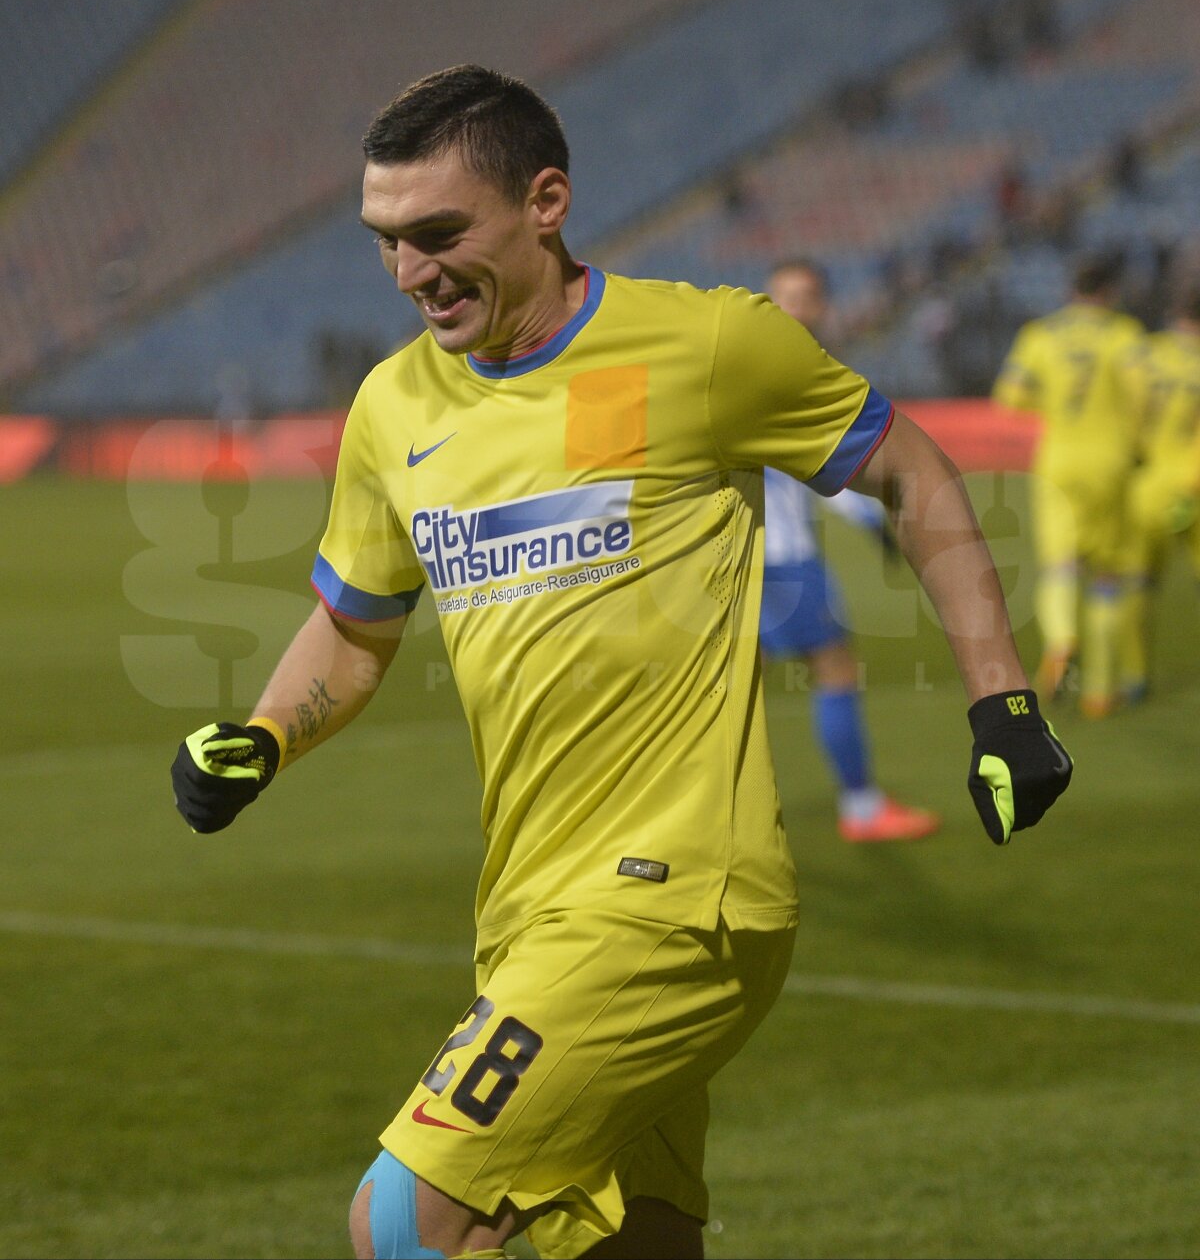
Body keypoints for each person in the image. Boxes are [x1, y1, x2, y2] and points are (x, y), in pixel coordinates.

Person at [170, 65, 1073, 1260]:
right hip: (527, 908)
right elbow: (354, 624)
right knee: (634, 1243)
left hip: (678, 897)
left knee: (407, 1221)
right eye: (386, 242)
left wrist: (1003, 703)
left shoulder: (708, 343)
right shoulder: (392, 406)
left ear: (546, 200)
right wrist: (266, 734)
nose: (410, 272)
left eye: (440, 234)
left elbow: (915, 469)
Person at [760, 259, 939, 842]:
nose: (796, 306)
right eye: (786, 295)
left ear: (822, 306)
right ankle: (862, 808)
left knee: (725, 690)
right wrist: (872, 520)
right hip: (780, 557)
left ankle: (692, 817)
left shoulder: (750, 362)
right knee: (833, 669)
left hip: (730, 556)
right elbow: (817, 464)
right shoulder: (790, 369)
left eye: (805, 295)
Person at [992, 250, 1145, 717]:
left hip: (1058, 460)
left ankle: (1061, 639)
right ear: (1110, 293)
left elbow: (1010, 397)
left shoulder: (1039, 334)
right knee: (1107, 576)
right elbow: (1143, 393)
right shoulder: (1124, 334)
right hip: (1112, 461)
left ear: (1070, 291)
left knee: (1059, 565)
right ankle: (1101, 690)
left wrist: (1052, 403)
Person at [1119, 279, 1200, 695]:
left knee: (1138, 583)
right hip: (1193, 486)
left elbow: (1124, 414)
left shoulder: (1144, 355)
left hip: (1145, 486)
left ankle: (1135, 677)